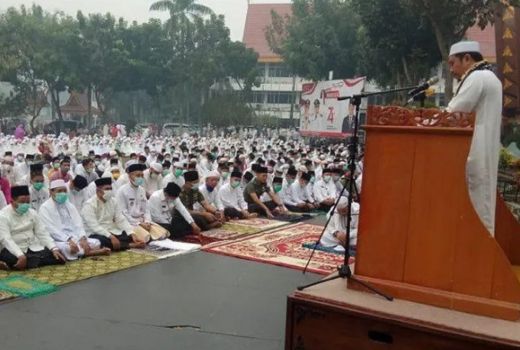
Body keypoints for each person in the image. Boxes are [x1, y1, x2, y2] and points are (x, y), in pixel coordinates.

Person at [446, 40, 502, 235]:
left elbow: (452, 112)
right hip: (483, 148)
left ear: (467, 58)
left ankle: (481, 261)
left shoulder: (478, 77)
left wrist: (422, 123)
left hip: (477, 151)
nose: (451, 69)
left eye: (453, 63)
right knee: (481, 205)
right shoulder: (488, 77)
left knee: (479, 207)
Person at [39, 180, 110, 260]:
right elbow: (51, 229)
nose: (63, 193)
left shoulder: (69, 205)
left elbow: (78, 223)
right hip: (60, 240)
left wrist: (82, 238)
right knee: (68, 248)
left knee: (96, 242)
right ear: (51, 192)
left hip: (75, 237)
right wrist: (68, 240)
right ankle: (90, 252)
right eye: (59, 191)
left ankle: (84, 252)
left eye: (64, 190)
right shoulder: (44, 207)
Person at [0, 185, 66, 270]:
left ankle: (26, 262)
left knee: (59, 257)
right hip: (14, 248)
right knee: (13, 258)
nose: (26, 205)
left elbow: (42, 232)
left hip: (33, 247)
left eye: (28, 202)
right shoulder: (3, 216)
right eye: (22, 202)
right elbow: (6, 239)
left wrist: (54, 248)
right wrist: (20, 255)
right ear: (12, 201)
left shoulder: (32, 212)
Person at [82, 177, 146, 251]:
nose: (109, 191)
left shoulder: (113, 201)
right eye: (106, 189)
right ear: (98, 191)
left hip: (111, 229)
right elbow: (94, 226)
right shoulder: (89, 204)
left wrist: (132, 233)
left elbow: (120, 219)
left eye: (110, 188)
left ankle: (124, 244)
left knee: (128, 235)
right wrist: (111, 237)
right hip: (95, 232)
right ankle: (130, 245)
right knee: (102, 241)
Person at [115, 164, 168, 242]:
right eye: (138, 175)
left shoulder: (142, 190)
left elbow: (146, 209)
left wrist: (147, 221)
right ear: (130, 176)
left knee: (163, 235)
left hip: (143, 221)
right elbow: (123, 212)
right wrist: (139, 223)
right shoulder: (122, 191)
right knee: (146, 238)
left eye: (142, 175)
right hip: (130, 222)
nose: (140, 178)